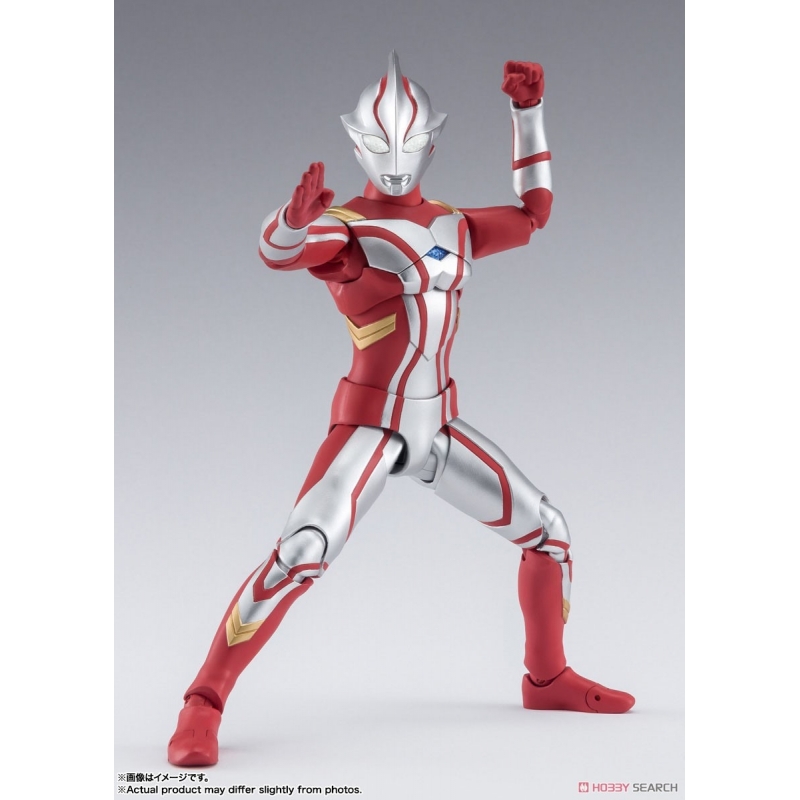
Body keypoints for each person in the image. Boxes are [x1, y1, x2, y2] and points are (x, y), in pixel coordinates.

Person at [168, 52, 634, 768]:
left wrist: (528, 113)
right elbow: (280, 253)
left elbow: (533, 215)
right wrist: (291, 221)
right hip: (371, 426)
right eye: (379, 144)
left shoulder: (454, 223)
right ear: (356, 143)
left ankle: (546, 679)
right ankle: (203, 701)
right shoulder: (346, 229)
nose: (393, 160)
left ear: (431, 142)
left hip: (437, 426)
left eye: (408, 144)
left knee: (550, 534)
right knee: (301, 551)